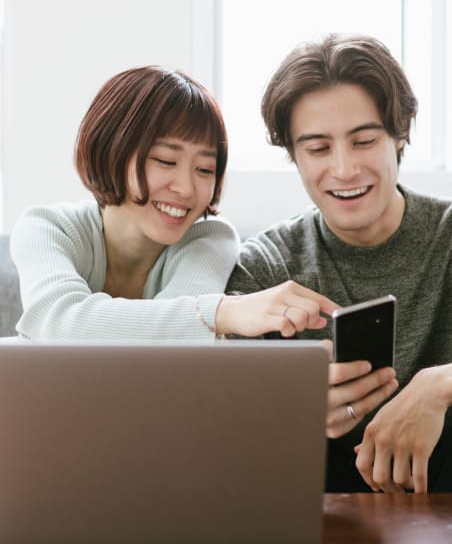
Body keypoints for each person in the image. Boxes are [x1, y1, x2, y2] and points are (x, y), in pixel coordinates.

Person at [225, 33, 452, 494]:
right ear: (293, 156)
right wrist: (290, 410)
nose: (344, 169)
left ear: (400, 134)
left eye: (364, 140)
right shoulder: (266, 268)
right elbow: (215, 409)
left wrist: (440, 385)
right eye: (317, 149)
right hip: (321, 519)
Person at [11, 66, 335, 343]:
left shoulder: (209, 238)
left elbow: (174, 348)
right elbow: (58, 323)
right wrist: (221, 312)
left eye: (204, 169)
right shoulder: (46, 228)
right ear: (112, 151)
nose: (185, 188)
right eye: (166, 161)